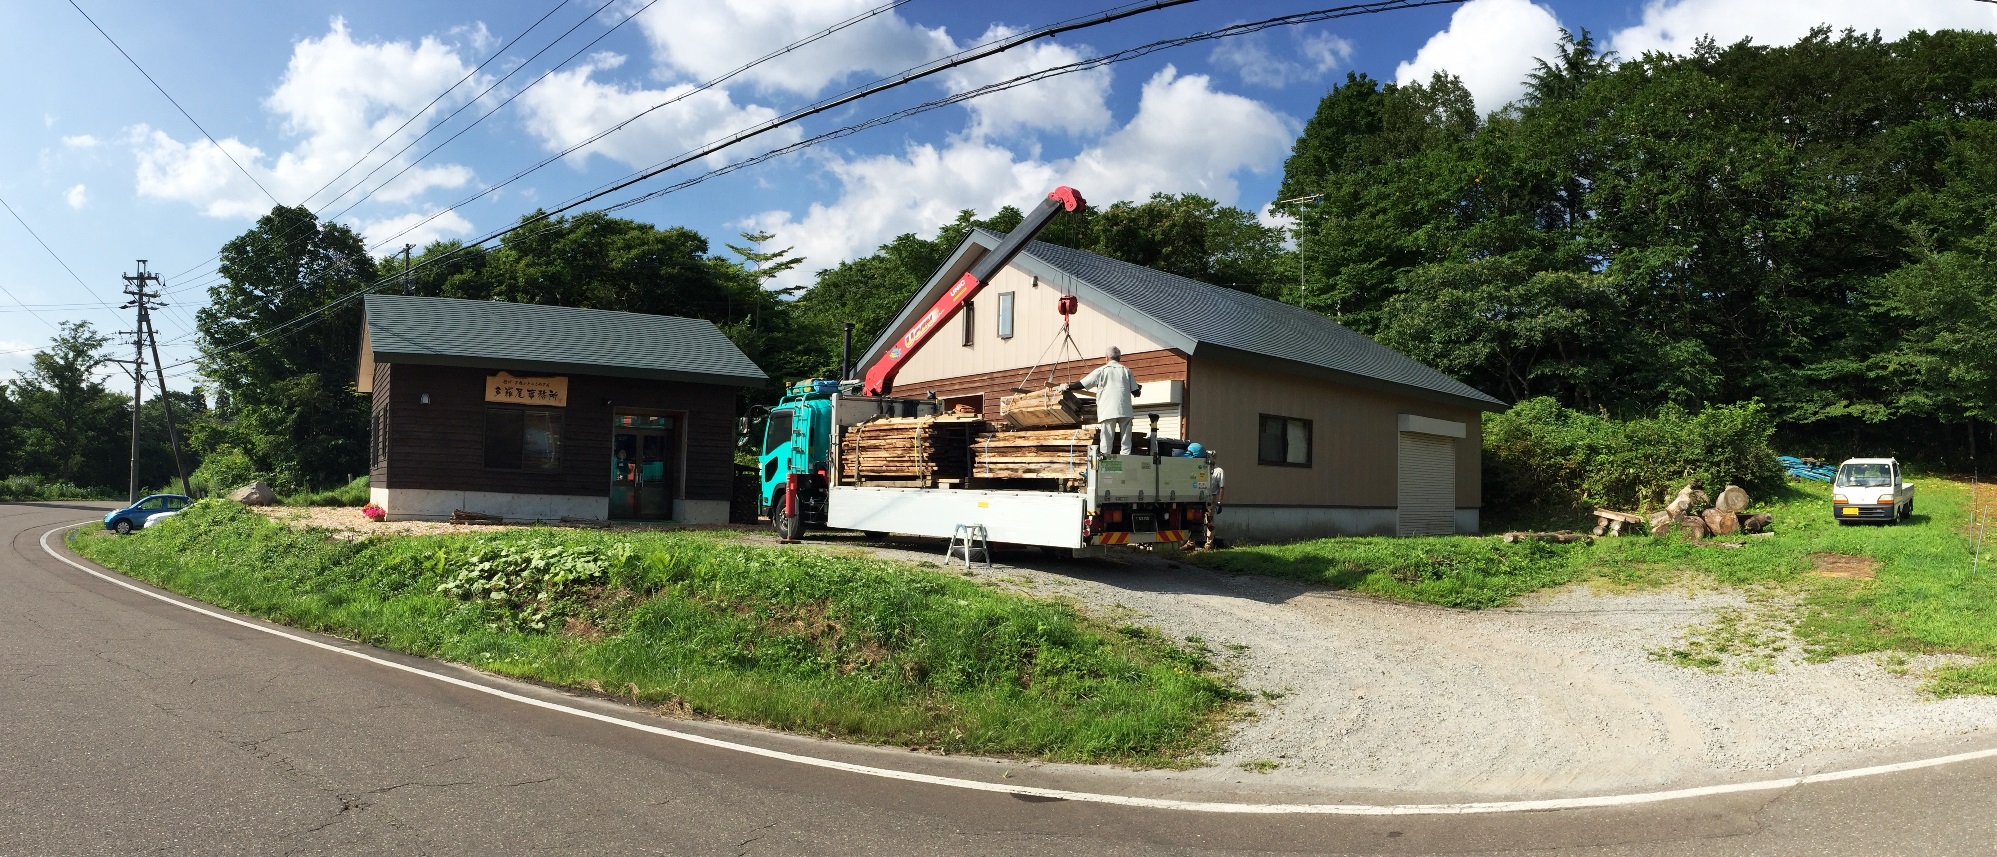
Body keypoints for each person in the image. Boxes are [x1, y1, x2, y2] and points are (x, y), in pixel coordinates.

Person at [1068, 346, 1141, 455]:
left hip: (1108, 410)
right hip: (1125, 409)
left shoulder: (1101, 371)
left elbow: (1082, 384)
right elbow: (1136, 392)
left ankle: (1105, 461)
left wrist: (1068, 387)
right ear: (1119, 358)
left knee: (1106, 438)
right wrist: (1138, 389)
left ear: (1106, 358)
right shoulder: (1126, 371)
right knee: (1126, 440)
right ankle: (1126, 460)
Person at [1204, 452, 1225, 549]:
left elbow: (1221, 488)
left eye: (1211, 457)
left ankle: (1209, 544)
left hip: (1211, 498)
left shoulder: (1219, 471)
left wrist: (1219, 503)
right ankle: (1191, 542)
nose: (1209, 459)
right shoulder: (1203, 468)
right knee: (1197, 520)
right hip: (1200, 496)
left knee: (1209, 521)